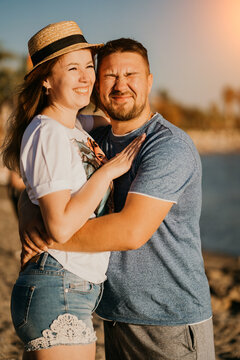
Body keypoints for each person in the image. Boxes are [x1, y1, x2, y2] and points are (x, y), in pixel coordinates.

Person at [18, 38, 215, 359]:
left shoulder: (167, 146)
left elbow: (130, 232)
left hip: (168, 321)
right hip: (109, 312)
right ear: (98, 84)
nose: (121, 85)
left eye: (131, 75)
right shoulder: (88, 139)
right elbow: (39, 171)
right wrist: (28, 211)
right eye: (110, 75)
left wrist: (51, 236)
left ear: (150, 81)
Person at [1, 22, 145, 360]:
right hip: (60, 284)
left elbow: (119, 117)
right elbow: (61, 226)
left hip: (70, 285)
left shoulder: (75, 127)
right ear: (46, 80)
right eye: (72, 68)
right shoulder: (47, 132)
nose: (86, 77)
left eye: (89, 67)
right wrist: (109, 170)